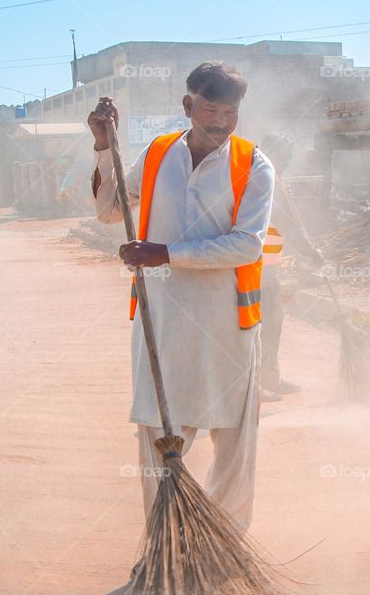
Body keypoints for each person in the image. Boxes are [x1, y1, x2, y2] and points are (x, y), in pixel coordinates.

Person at [88, 61, 274, 531]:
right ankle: (163, 544)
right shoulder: (156, 153)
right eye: (211, 109)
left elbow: (247, 244)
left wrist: (164, 253)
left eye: (231, 112)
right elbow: (111, 212)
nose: (221, 122)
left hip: (227, 325)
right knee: (157, 434)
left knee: (233, 439)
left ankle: (225, 543)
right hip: (163, 322)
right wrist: (104, 147)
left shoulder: (253, 164)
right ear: (189, 105)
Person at [257, 133, 320, 402]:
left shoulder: (261, 177)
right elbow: (289, 223)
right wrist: (311, 252)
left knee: (270, 322)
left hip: (263, 266)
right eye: (286, 156)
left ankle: (268, 379)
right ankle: (253, 387)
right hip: (256, 268)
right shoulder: (267, 180)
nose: (288, 161)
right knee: (261, 325)